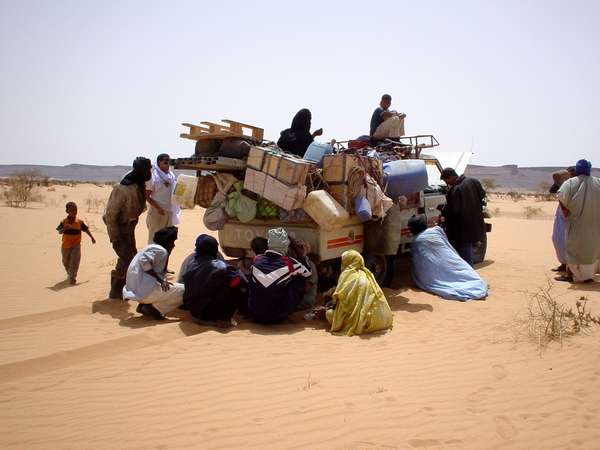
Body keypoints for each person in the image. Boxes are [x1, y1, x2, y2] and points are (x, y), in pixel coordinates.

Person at [103, 157, 152, 299]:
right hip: (119, 229)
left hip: (130, 228)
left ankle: (123, 288)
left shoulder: (139, 185)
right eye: (147, 169)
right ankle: (116, 292)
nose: (149, 172)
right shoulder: (121, 189)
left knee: (131, 257)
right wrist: (115, 237)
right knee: (127, 259)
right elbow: (110, 216)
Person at [408, 215, 488, 301]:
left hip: (430, 275)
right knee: (462, 270)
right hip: (451, 262)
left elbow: (416, 263)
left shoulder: (415, 242)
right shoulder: (436, 231)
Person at [181, 235, 248, 327]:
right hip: (208, 313)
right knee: (237, 283)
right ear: (215, 250)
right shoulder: (221, 266)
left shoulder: (190, 262)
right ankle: (224, 318)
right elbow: (242, 281)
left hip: (192, 310)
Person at [248, 228, 312, 323]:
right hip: (278, 315)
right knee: (300, 279)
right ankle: (307, 302)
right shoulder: (290, 263)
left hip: (256, 313)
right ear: (286, 245)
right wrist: (299, 252)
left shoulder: (256, 259)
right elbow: (308, 273)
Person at [324, 250, 393, 336]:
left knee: (329, 314)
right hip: (381, 319)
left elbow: (340, 298)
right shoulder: (368, 274)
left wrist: (328, 301)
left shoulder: (346, 275)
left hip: (364, 322)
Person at [123, 226, 184, 319]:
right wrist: (160, 280)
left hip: (137, 291)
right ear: (167, 242)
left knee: (170, 288)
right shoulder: (160, 250)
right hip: (145, 292)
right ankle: (156, 309)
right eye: (172, 242)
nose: (173, 245)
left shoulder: (150, 247)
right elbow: (144, 262)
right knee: (184, 290)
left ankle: (144, 305)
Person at [556, 159, 600, 283]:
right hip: (595, 224)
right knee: (592, 248)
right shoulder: (598, 182)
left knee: (573, 248)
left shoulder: (570, 183)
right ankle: (588, 276)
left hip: (575, 223)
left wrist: (565, 211)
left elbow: (560, 196)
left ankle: (571, 275)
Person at [440, 168, 486, 266]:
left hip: (461, 229)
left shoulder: (456, 189)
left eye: (446, 180)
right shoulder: (474, 181)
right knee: (467, 249)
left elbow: (454, 211)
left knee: (463, 255)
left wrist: (444, 211)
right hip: (474, 224)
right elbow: (482, 195)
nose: (446, 183)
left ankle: (468, 277)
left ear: (452, 177)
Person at [56, 201, 96, 284]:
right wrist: (64, 229)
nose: (74, 212)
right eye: (72, 210)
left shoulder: (79, 222)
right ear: (67, 211)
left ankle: (73, 276)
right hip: (66, 245)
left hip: (76, 245)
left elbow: (86, 230)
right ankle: (69, 273)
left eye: (75, 210)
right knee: (65, 261)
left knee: (75, 260)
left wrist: (92, 237)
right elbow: (59, 231)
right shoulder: (64, 222)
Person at [146, 153, 180, 245]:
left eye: (169, 161)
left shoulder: (171, 176)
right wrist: (158, 208)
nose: (167, 163)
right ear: (159, 162)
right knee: (154, 241)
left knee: (167, 242)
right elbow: (146, 196)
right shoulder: (153, 177)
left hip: (169, 212)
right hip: (157, 213)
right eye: (165, 161)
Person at [550, 167, 575, 272]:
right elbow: (553, 190)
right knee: (557, 238)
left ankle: (570, 267)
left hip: (570, 215)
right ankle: (564, 264)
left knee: (568, 242)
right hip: (561, 214)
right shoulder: (564, 184)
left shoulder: (575, 185)